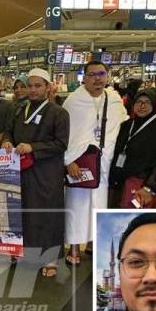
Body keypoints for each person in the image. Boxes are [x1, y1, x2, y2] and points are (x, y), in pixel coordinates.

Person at [2, 68, 70, 278]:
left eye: (37, 85)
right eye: (29, 86)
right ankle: (27, 252)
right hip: (22, 172)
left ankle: (50, 258)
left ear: (48, 87)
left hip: (46, 173)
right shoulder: (19, 110)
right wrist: (7, 141)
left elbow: (61, 143)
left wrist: (33, 147)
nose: (32, 90)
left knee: (47, 215)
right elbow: (8, 131)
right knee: (24, 213)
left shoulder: (58, 113)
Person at [64, 61, 128, 265]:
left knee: (100, 204)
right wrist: (68, 160)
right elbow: (64, 135)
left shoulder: (115, 100)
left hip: (104, 163)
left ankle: (93, 243)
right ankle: (74, 248)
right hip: (79, 163)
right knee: (77, 204)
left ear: (107, 76)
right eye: (92, 75)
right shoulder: (73, 102)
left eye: (101, 73)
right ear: (85, 78)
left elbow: (122, 125)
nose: (97, 78)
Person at [108, 89, 156, 208]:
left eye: (147, 102)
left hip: (140, 186)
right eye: (139, 102)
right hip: (119, 183)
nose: (142, 106)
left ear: (154, 105)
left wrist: (148, 188)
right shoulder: (126, 125)